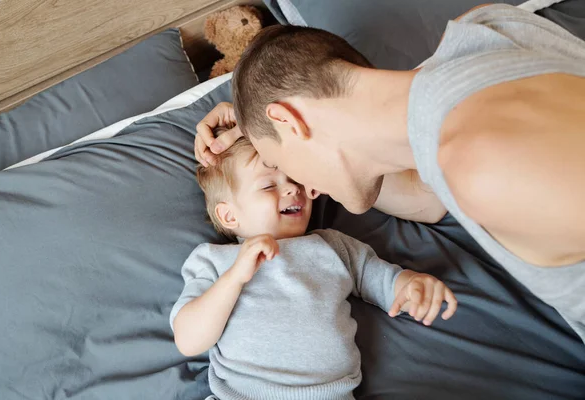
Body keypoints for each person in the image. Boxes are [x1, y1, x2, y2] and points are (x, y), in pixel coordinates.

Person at [194, 4, 585, 341]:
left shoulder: (482, 164)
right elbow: (426, 199)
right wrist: (260, 125)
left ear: (292, 121)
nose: (308, 191)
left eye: (279, 165)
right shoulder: (484, 29)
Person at [171, 137, 457, 399]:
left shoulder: (331, 246)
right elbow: (188, 339)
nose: (293, 188)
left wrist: (412, 286)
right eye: (269, 185)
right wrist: (234, 278)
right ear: (229, 215)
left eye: (295, 178)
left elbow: (381, 279)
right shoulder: (215, 260)